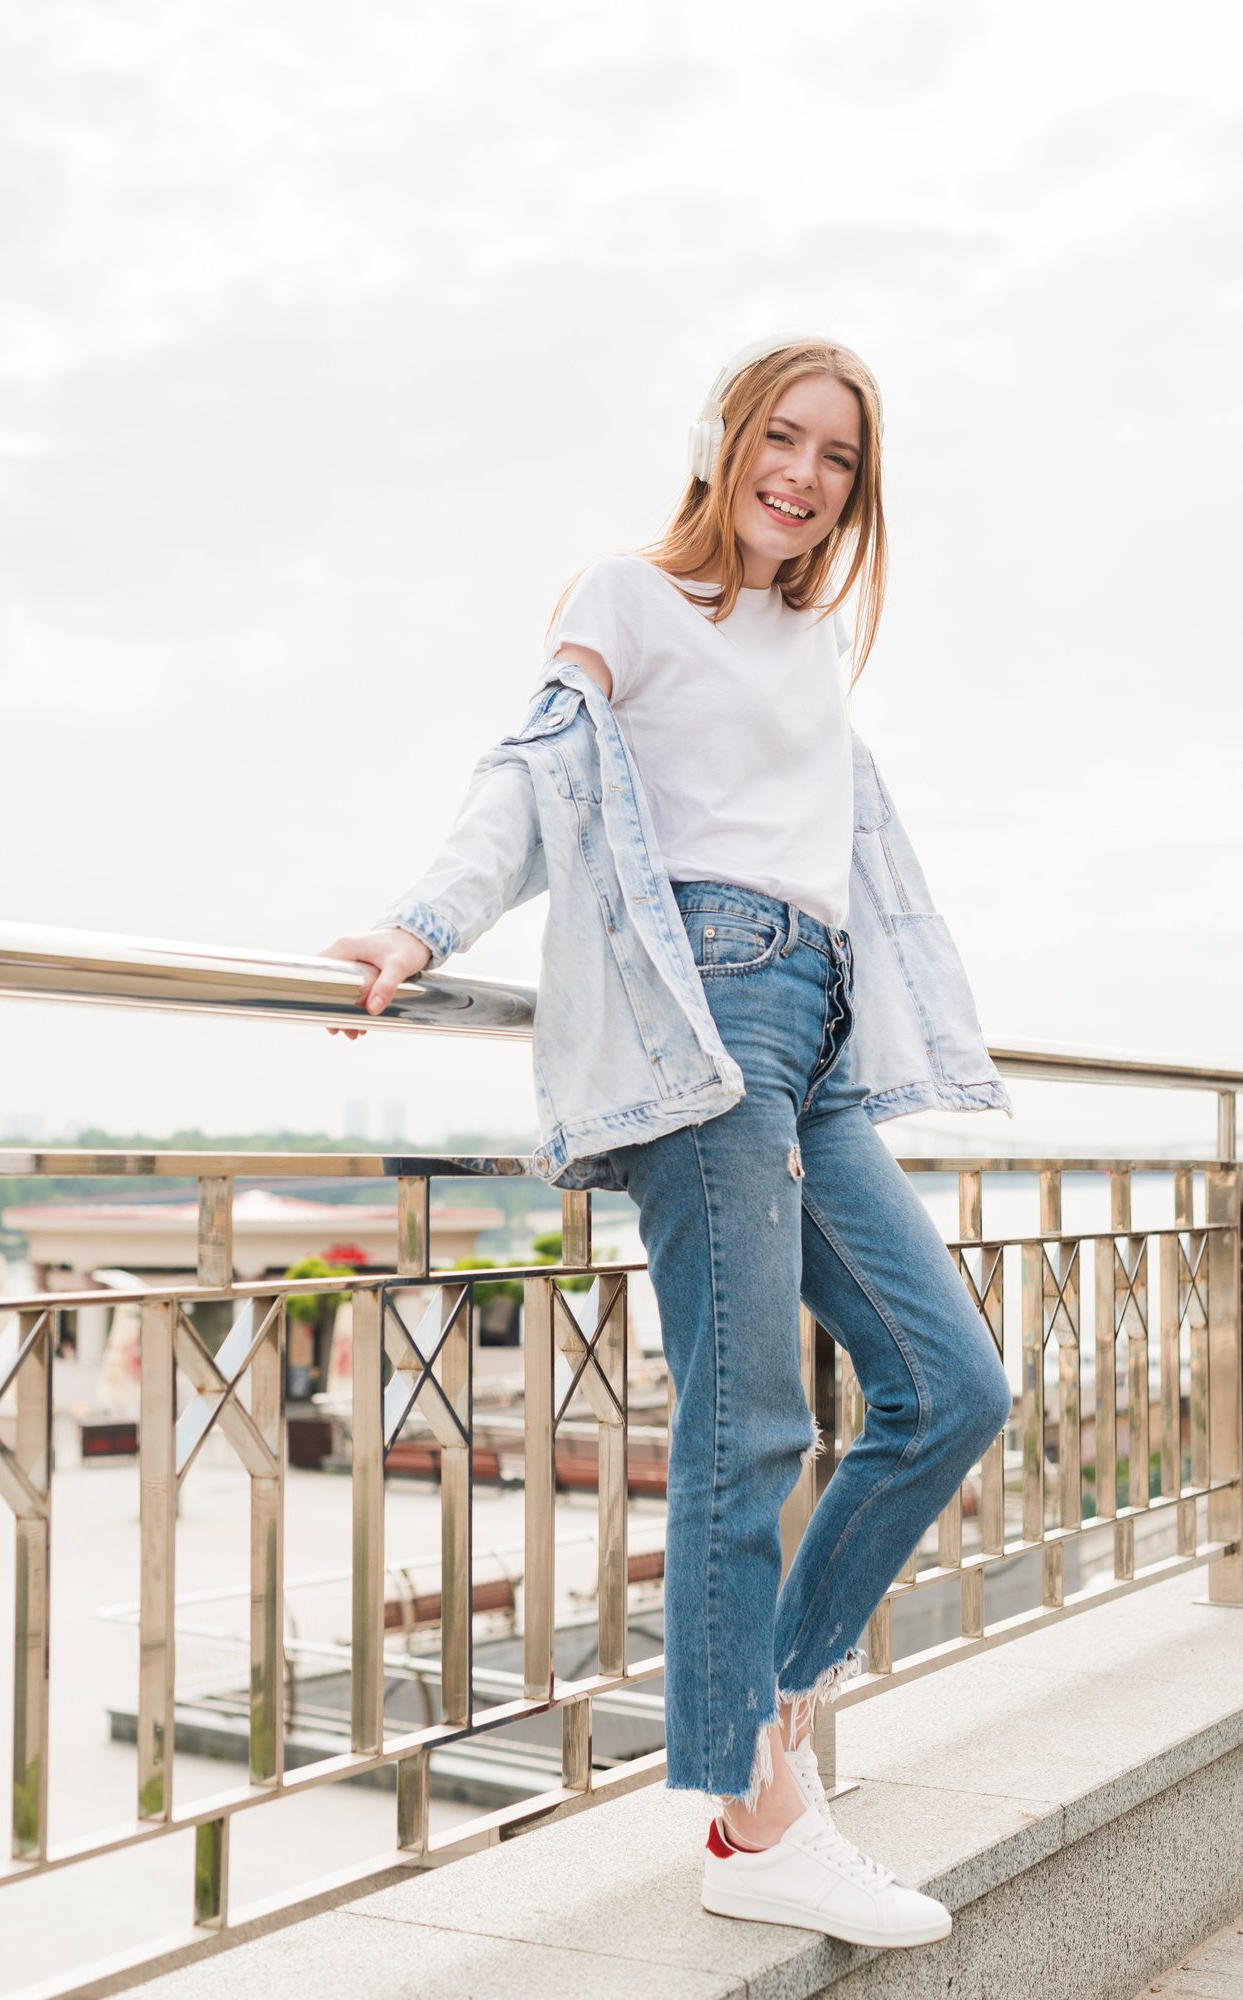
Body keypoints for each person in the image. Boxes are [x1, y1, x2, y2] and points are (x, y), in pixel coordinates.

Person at [320, 335, 1014, 1948]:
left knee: (950, 1385)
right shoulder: (631, 593)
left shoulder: (810, 633)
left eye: (839, 458)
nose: (807, 476)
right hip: (703, 1019)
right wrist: (423, 924)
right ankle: (759, 1811)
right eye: (785, 437)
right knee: (749, 1422)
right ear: (723, 439)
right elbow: (539, 777)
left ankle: (763, 1724)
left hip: (819, 1028)